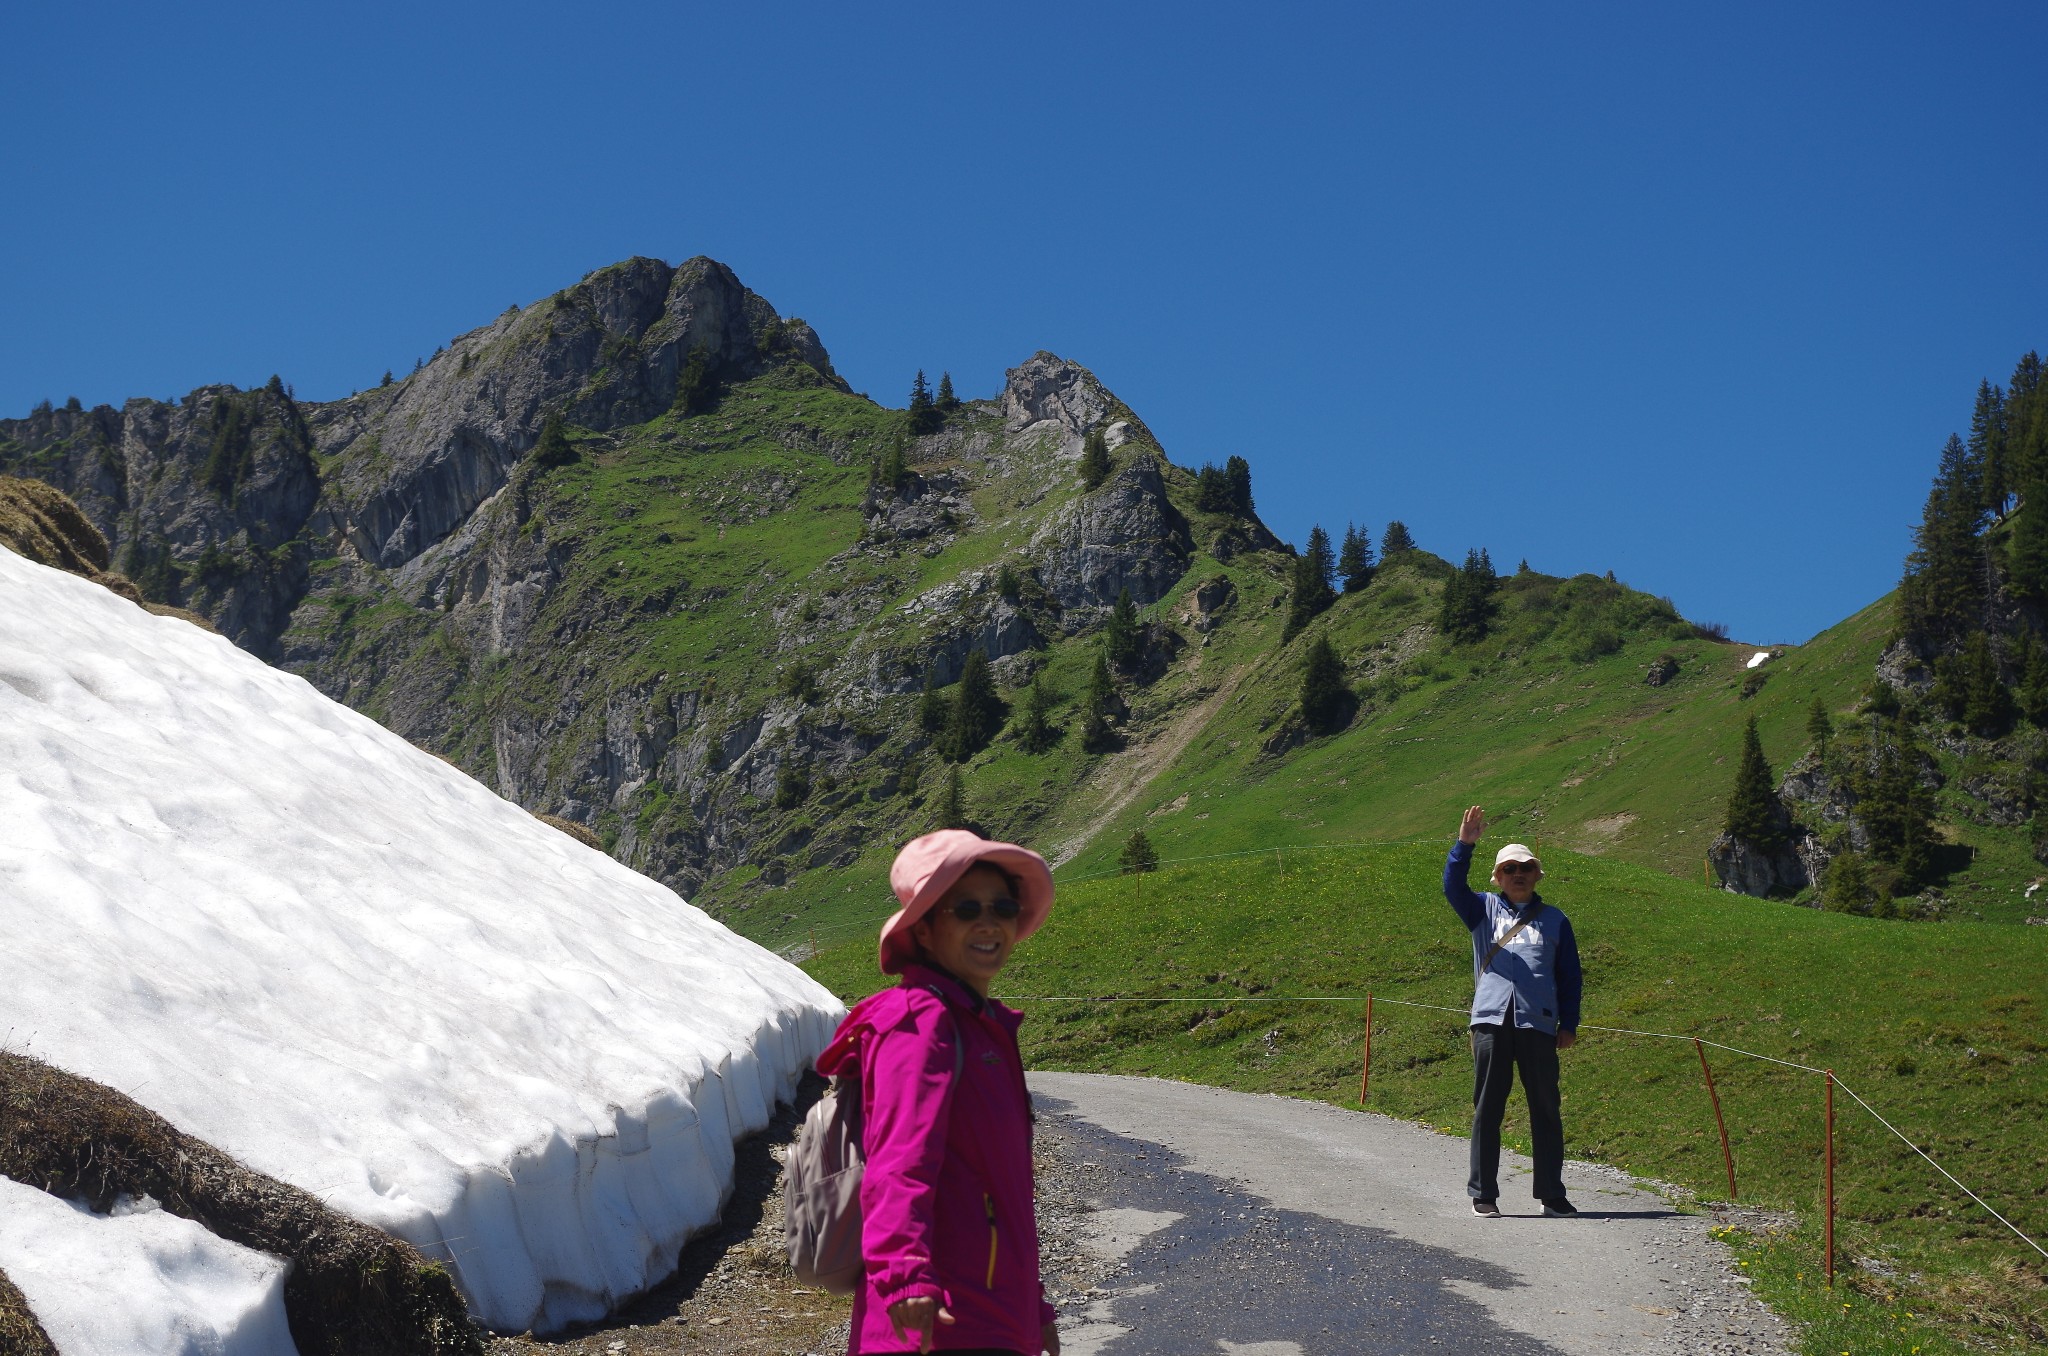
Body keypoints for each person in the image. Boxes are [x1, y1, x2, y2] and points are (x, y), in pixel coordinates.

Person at [814, 829, 1061, 1355]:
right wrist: (904, 1276)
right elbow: (899, 1161)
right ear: (924, 931)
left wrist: (1034, 1309)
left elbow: (1005, 1190)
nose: (989, 921)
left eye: (1002, 906)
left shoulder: (980, 1025)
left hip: (995, 1314)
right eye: (965, 908)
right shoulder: (920, 1023)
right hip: (942, 1321)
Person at [1443, 806, 1583, 1218]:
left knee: (1545, 1106)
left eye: (1526, 867)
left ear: (1538, 874)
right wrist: (1464, 845)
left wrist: (1569, 1023)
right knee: (1488, 1105)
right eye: (1509, 868)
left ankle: (1552, 1195)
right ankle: (1483, 1193)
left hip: (1538, 1022)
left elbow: (1569, 976)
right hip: (1490, 1021)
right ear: (1498, 877)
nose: (1518, 873)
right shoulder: (1481, 910)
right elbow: (1452, 886)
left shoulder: (1557, 920)